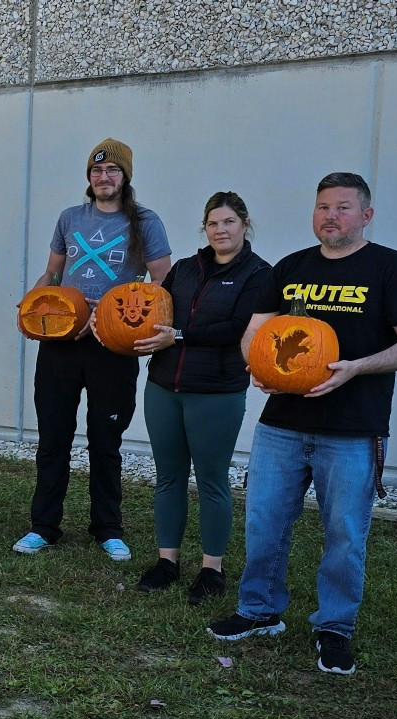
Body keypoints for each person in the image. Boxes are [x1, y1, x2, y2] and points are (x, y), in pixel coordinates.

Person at [208, 173, 397, 675]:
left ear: (366, 215)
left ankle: (334, 627)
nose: (330, 216)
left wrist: (356, 367)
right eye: (323, 207)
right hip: (282, 423)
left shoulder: (392, 270)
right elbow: (255, 331)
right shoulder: (291, 268)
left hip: (353, 426)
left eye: (343, 208)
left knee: (345, 533)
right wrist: (258, 365)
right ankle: (260, 610)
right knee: (264, 521)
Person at [12, 138, 172, 561]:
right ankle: (44, 526)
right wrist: (32, 303)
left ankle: (107, 527)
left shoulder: (145, 222)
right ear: (89, 176)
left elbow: (163, 282)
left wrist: (114, 312)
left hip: (112, 345)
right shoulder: (70, 218)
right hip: (63, 341)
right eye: (97, 171)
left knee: (105, 439)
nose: (104, 177)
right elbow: (52, 271)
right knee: (53, 437)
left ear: (125, 177)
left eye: (113, 171)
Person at [133, 192, 271, 604]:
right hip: (164, 386)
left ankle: (212, 568)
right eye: (213, 223)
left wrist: (179, 335)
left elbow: (237, 328)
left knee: (212, 481)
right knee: (168, 477)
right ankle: (167, 561)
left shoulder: (259, 274)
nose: (221, 230)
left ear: (245, 225)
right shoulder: (185, 269)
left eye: (229, 222)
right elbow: (160, 313)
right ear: (204, 228)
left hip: (215, 392)